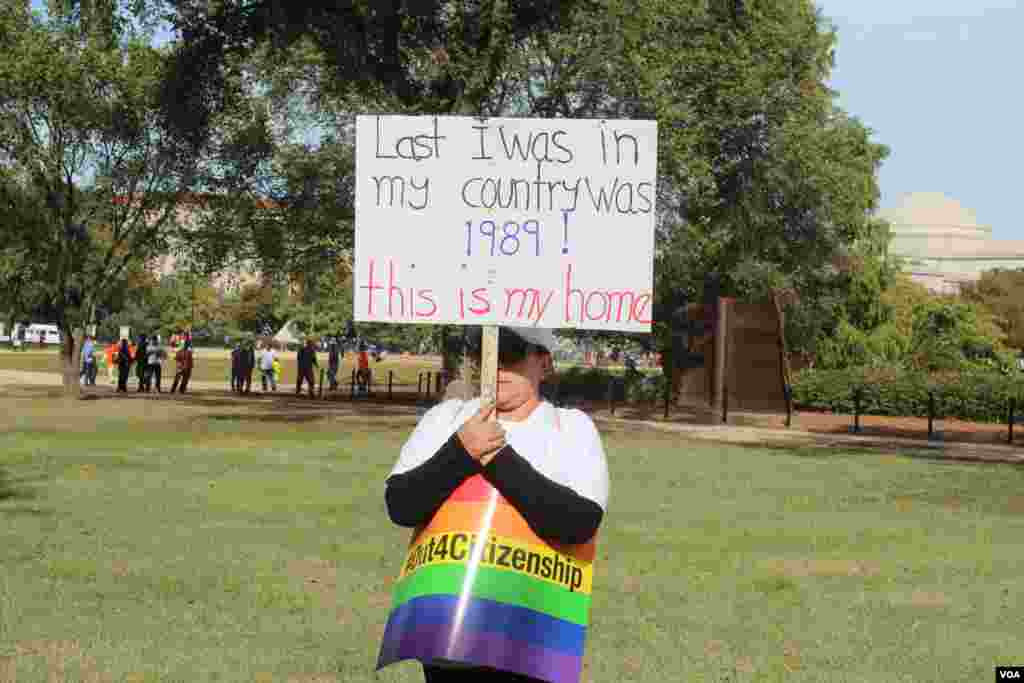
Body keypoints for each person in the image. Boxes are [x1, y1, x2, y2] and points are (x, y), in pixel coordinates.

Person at [383, 327, 610, 682]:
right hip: (450, 638)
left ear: (544, 362)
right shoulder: (445, 418)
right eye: (486, 350)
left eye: (512, 352)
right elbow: (401, 505)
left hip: (533, 636)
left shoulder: (572, 428)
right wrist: (459, 451)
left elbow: (579, 524)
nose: (497, 364)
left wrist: (497, 458)